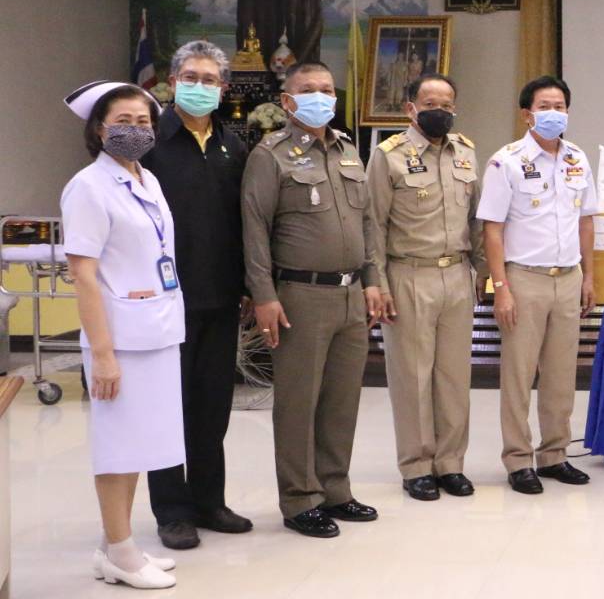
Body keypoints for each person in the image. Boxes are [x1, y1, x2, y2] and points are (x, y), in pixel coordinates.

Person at [242, 62, 385, 538]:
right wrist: (263, 294)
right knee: (299, 402)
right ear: (287, 101)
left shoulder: (348, 150)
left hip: (350, 294)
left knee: (341, 401)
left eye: (326, 89)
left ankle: (335, 489)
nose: (320, 97)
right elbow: (255, 229)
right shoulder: (271, 155)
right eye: (308, 90)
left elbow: (367, 224)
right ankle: (300, 498)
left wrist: (373, 280)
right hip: (300, 295)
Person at [61, 81, 185, 588]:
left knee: (140, 444)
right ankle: (120, 551)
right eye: (124, 122)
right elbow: (83, 274)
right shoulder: (88, 187)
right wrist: (103, 355)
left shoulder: (146, 179)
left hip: (155, 329)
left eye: (144, 122)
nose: (136, 131)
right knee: (118, 446)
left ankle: (116, 544)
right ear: (99, 129)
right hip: (119, 339)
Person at [142, 41, 254, 550]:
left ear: (223, 88)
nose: (200, 86)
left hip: (221, 297)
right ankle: (172, 511)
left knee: (212, 408)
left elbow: (244, 222)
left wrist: (248, 286)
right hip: (165, 300)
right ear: (172, 81)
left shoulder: (235, 146)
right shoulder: (150, 143)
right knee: (168, 409)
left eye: (210, 79)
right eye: (191, 77)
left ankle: (210, 502)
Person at [368, 74, 485, 501]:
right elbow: (373, 224)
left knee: (454, 377)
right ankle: (417, 465)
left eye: (447, 104)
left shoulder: (466, 152)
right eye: (430, 103)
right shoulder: (389, 156)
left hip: (457, 274)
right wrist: (377, 283)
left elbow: (476, 219)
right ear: (410, 108)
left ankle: (450, 463)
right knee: (412, 376)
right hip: (408, 274)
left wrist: (483, 271)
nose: (440, 110)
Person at [477, 76, 597, 495]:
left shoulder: (577, 158)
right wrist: (500, 287)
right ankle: (517, 459)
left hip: (568, 278)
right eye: (545, 106)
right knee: (518, 374)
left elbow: (586, 222)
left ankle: (554, 455)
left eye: (560, 106)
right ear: (527, 114)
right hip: (524, 278)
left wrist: (589, 276)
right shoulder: (506, 161)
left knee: (561, 375)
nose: (553, 113)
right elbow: (492, 230)